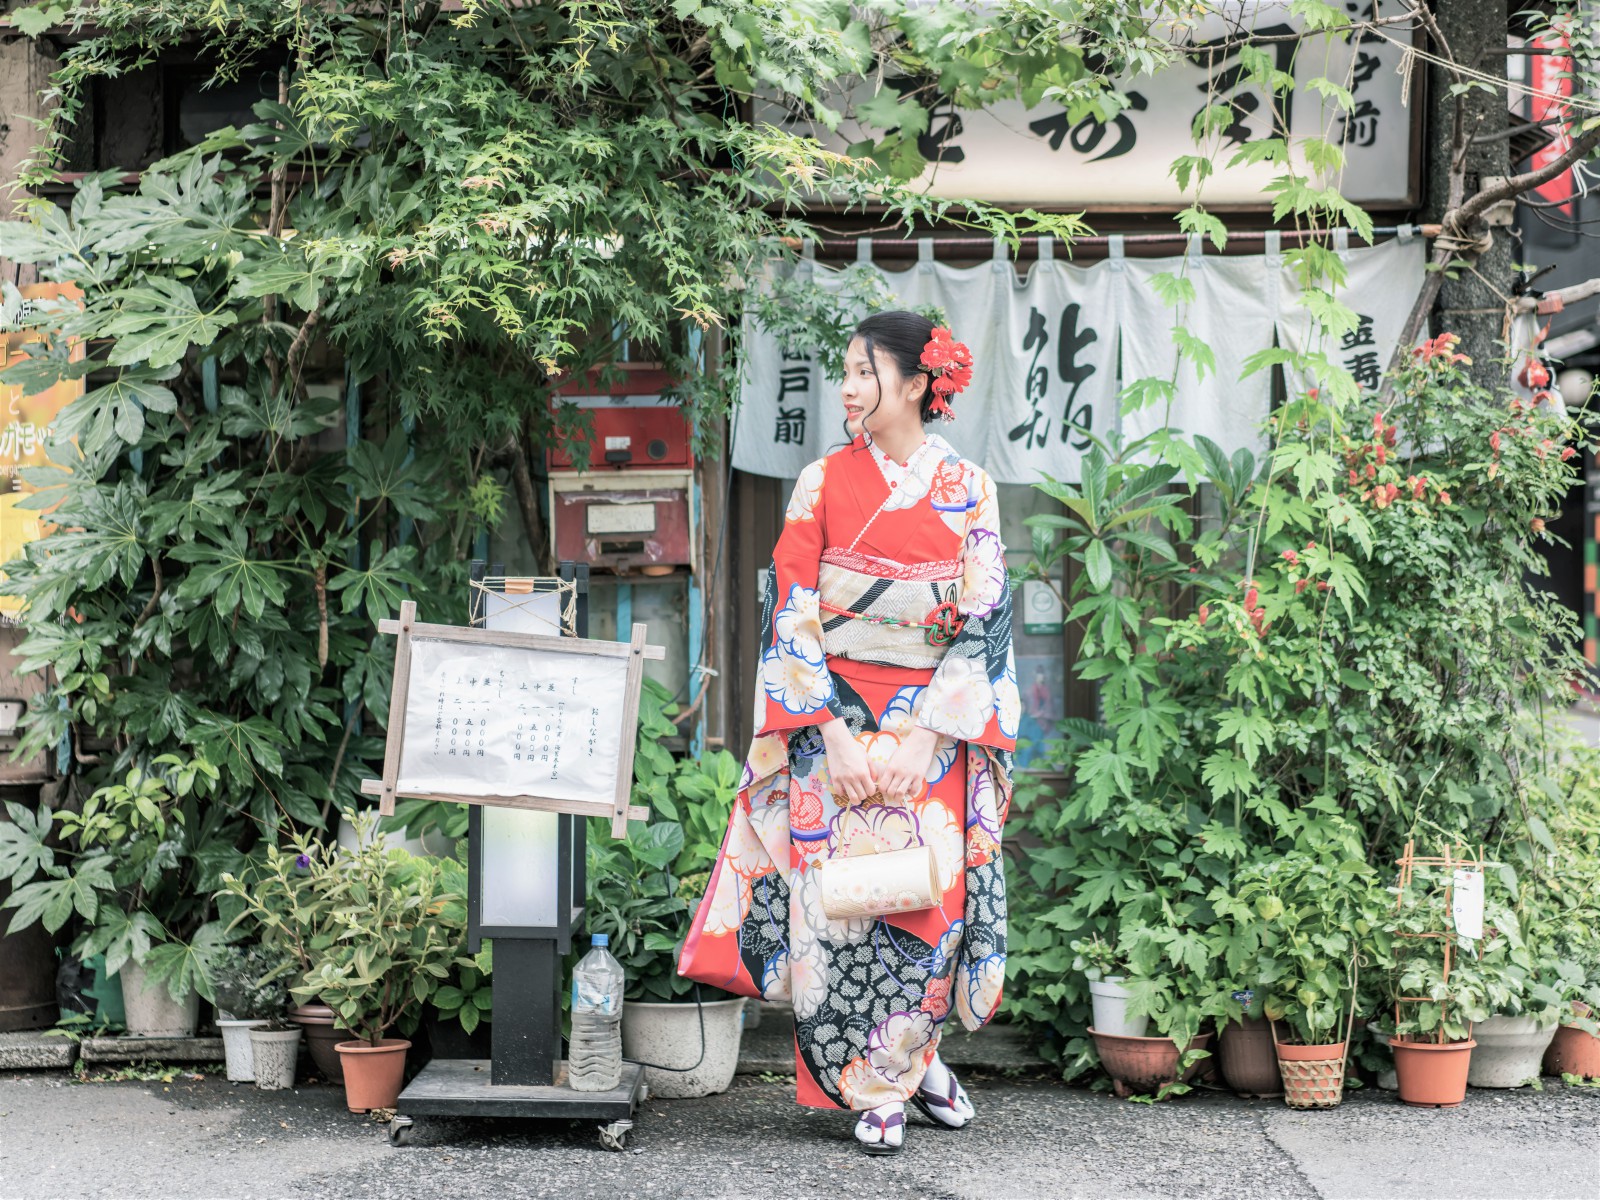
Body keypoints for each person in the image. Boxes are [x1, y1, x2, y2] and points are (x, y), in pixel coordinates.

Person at [679, 310, 1018, 1154]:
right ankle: (881, 1083)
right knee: (835, 912)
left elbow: (982, 619)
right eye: (847, 372)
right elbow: (790, 608)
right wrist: (829, 731)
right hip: (830, 724)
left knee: (924, 905)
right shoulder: (821, 482)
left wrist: (925, 738)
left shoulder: (970, 487)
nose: (849, 388)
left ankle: (905, 1064)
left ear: (916, 383)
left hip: (929, 730)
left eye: (865, 372)